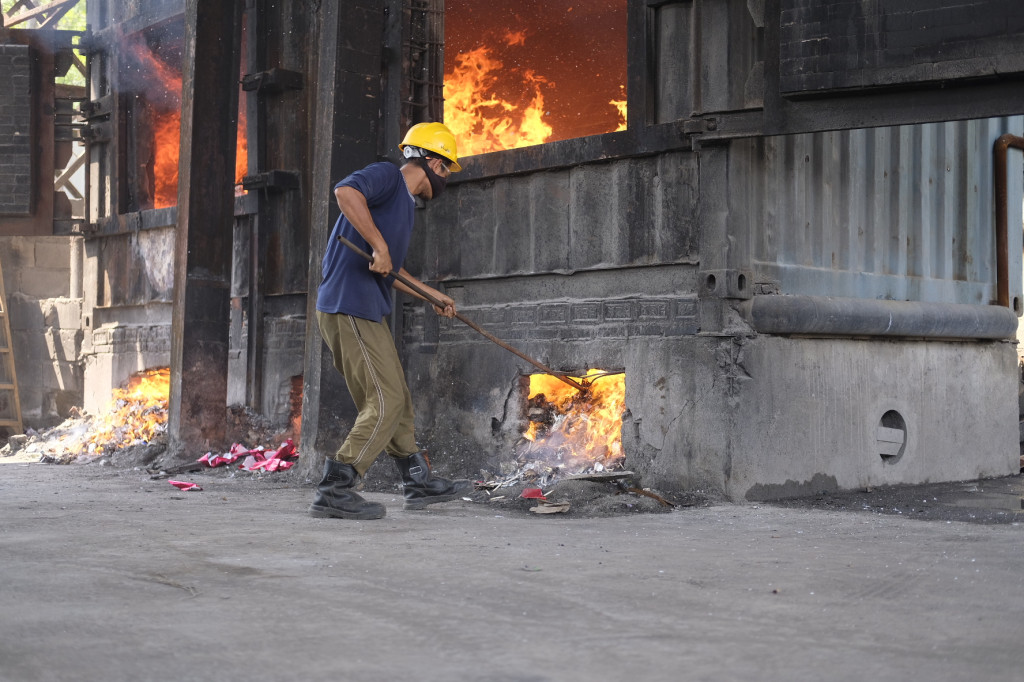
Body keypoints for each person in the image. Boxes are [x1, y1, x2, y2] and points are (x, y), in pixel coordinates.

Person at [309, 122, 471, 520]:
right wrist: (379, 245)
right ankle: (337, 487)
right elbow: (345, 191)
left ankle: (417, 480)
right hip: (348, 306)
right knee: (384, 399)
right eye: (446, 168)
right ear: (431, 162)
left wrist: (430, 294)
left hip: (367, 308)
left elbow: (390, 270)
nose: (446, 178)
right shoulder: (388, 176)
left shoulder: (403, 207)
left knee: (398, 398)